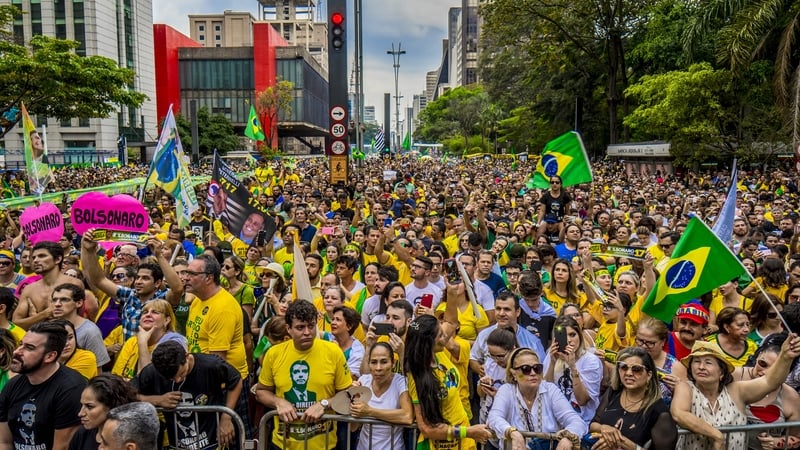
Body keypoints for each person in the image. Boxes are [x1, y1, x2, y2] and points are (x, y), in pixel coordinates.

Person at [254, 299, 352, 450]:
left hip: (324, 444)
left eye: (311, 326)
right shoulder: (274, 354)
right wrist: (278, 402)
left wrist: (324, 404)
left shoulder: (333, 352)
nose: (307, 332)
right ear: (288, 329)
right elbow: (261, 391)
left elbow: (347, 393)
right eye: (300, 327)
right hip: (283, 444)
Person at [671, 336, 800, 449]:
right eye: (697, 362)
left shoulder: (736, 391)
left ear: (721, 372)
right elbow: (679, 414)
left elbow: (769, 382)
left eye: (708, 362)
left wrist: (785, 356)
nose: (701, 367)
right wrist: (716, 435)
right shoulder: (685, 387)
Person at [404, 314, 493, 450]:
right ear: (427, 343)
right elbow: (427, 429)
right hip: (440, 445)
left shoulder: (439, 354)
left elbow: (451, 320)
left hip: (463, 441)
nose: (445, 337)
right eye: (440, 335)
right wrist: (468, 432)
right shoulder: (417, 377)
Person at [134, 340, 242, 450]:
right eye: (171, 378)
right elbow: (128, 393)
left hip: (211, 440)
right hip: (175, 443)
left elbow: (236, 379)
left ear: (187, 356)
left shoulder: (211, 365)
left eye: (181, 374)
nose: (177, 380)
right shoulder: (153, 371)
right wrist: (157, 400)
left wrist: (226, 417)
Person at [0, 321, 87, 450]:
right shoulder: (13, 385)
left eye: (29, 348)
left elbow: (62, 448)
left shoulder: (71, 389)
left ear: (50, 356)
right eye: (20, 344)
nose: (17, 352)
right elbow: (4, 442)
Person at [487, 347, 586, 450]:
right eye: (526, 369)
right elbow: (494, 418)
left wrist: (568, 437)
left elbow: (577, 422)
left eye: (537, 368)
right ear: (513, 373)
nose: (533, 373)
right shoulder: (506, 390)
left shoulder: (550, 389)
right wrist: (512, 432)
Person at [588, 346, 678, 450]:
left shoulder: (659, 412)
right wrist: (603, 428)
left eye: (637, 369)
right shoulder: (613, 392)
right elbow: (593, 424)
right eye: (623, 367)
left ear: (649, 375)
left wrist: (624, 443)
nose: (629, 373)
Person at [731, 335, 800, 449]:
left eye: (773, 370)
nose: (764, 372)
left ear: (787, 371)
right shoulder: (733, 376)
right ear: (757, 356)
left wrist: (777, 442)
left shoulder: (791, 396)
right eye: (762, 364)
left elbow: (796, 437)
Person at [350, 342, 413, 450]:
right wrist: (351, 400)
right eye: (373, 362)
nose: (378, 368)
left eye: (384, 362)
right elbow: (353, 427)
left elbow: (407, 416)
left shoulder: (401, 382)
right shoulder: (363, 381)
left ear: (393, 363)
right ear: (369, 364)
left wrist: (370, 411)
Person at [543, 316, 603, 425]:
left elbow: (582, 400)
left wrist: (573, 367)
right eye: (563, 336)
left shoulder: (591, 361)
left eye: (572, 335)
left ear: (579, 335)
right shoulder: (551, 356)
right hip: (556, 420)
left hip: (582, 420)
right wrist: (552, 362)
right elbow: (546, 392)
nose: (569, 340)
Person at [14, 241, 84, 329]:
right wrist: (44, 314)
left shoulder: (74, 283)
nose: (35, 260)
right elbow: (16, 323)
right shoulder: (29, 290)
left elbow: (80, 319)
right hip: (39, 340)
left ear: (58, 259)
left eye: (42, 256)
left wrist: (34, 319)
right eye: (34, 257)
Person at [112, 299, 186, 380]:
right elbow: (115, 378)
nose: (148, 315)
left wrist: (142, 343)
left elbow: (149, 382)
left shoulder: (173, 343)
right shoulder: (132, 341)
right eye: (145, 312)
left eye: (155, 312)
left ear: (167, 320)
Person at [68, 374, 138, 450]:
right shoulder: (82, 434)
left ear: (111, 406)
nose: (81, 413)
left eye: (89, 407)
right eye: (82, 405)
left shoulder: (127, 441)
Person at [634, 317, 686, 405]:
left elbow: (685, 401)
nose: (643, 346)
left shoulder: (676, 367)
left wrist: (679, 390)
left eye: (650, 343)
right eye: (640, 341)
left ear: (663, 342)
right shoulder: (629, 357)